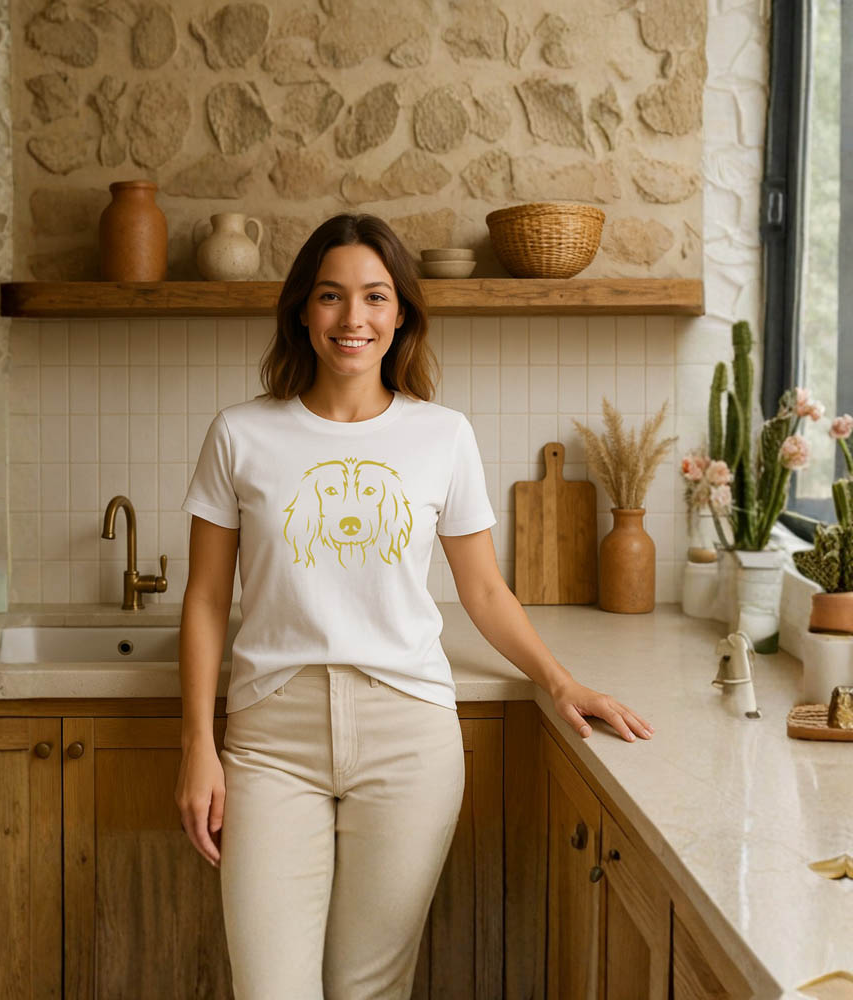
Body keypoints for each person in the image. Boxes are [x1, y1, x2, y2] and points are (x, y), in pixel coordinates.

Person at [175, 213, 654, 999]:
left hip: (409, 739)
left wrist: (562, 682)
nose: (352, 318)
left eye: (374, 297)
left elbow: (485, 590)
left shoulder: (443, 435)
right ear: (303, 310)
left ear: (401, 315)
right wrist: (198, 742)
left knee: (370, 989)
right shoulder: (241, 434)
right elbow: (203, 600)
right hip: (270, 741)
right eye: (331, 297)